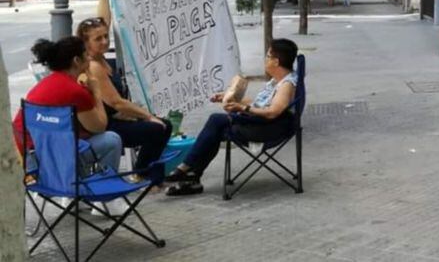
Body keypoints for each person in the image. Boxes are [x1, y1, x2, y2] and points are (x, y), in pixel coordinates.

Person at [163, 39, 300, 196]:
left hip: (269, 128)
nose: (265, 60)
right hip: (262, 123)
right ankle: (192, 178)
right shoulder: (277, 81)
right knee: (215, 132)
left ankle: (186, 168)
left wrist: (242, 108)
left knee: (216, 120)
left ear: (276, 61)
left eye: (268, 56)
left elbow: (273, 111)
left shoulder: (286, 85)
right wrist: (231, 98)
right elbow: (258, 104)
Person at [12, 37, 123, 176]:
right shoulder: (75, 91)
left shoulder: (44, 83)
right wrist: (96, 92)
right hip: (53, 164)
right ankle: (105, 185)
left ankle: (83, 185)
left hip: (28, 160)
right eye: (86, 55)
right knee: (111, 139)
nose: (89, 58)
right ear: (77, 60)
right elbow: (99, 126)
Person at [78, 17, 171, 179]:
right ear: (86, 43)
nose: (105, 41)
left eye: (106, 36)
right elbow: (116, 102)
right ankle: (143, 175)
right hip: (105, 126)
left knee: (164, 124)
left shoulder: (102, 60)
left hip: (116, 118)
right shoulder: (93, 66)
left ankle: (147, 175)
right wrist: (147, 116)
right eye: (98, 39)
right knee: (159, 127)